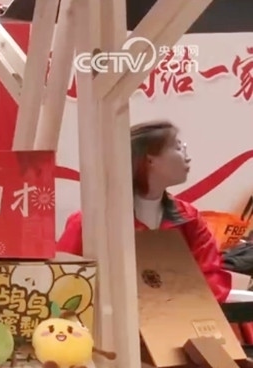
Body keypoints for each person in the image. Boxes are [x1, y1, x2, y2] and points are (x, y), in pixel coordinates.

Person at [57, 120, 231, 302]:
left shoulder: (189, 217)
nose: (188, 158)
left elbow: (211, 276)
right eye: (178, 148)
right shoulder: (92, 221)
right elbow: (63, 280)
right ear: (149, 160)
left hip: (180, 315)